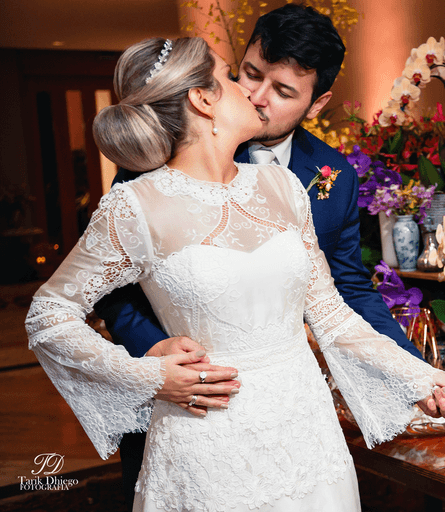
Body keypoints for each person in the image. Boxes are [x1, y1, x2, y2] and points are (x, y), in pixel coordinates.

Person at [26, 35, 445, 511]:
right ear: (203, 99)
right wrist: (147, 375)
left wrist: (422, 379)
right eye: (231, 76)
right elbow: (49, 313)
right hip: (209, 445)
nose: (250, 88)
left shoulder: (283, 186)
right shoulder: (136, 206)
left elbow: (331, 315)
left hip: (309, 440)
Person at [94, 5, 426, 504]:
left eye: (284, 91)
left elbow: (348, 287)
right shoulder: (163, 151)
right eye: (250, 74)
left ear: (318, 103)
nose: (256, 96)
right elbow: (112, 286)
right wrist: (155, 353)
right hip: (192, 407)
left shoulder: (334, 176)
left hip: (288, 414)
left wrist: (415, 374)